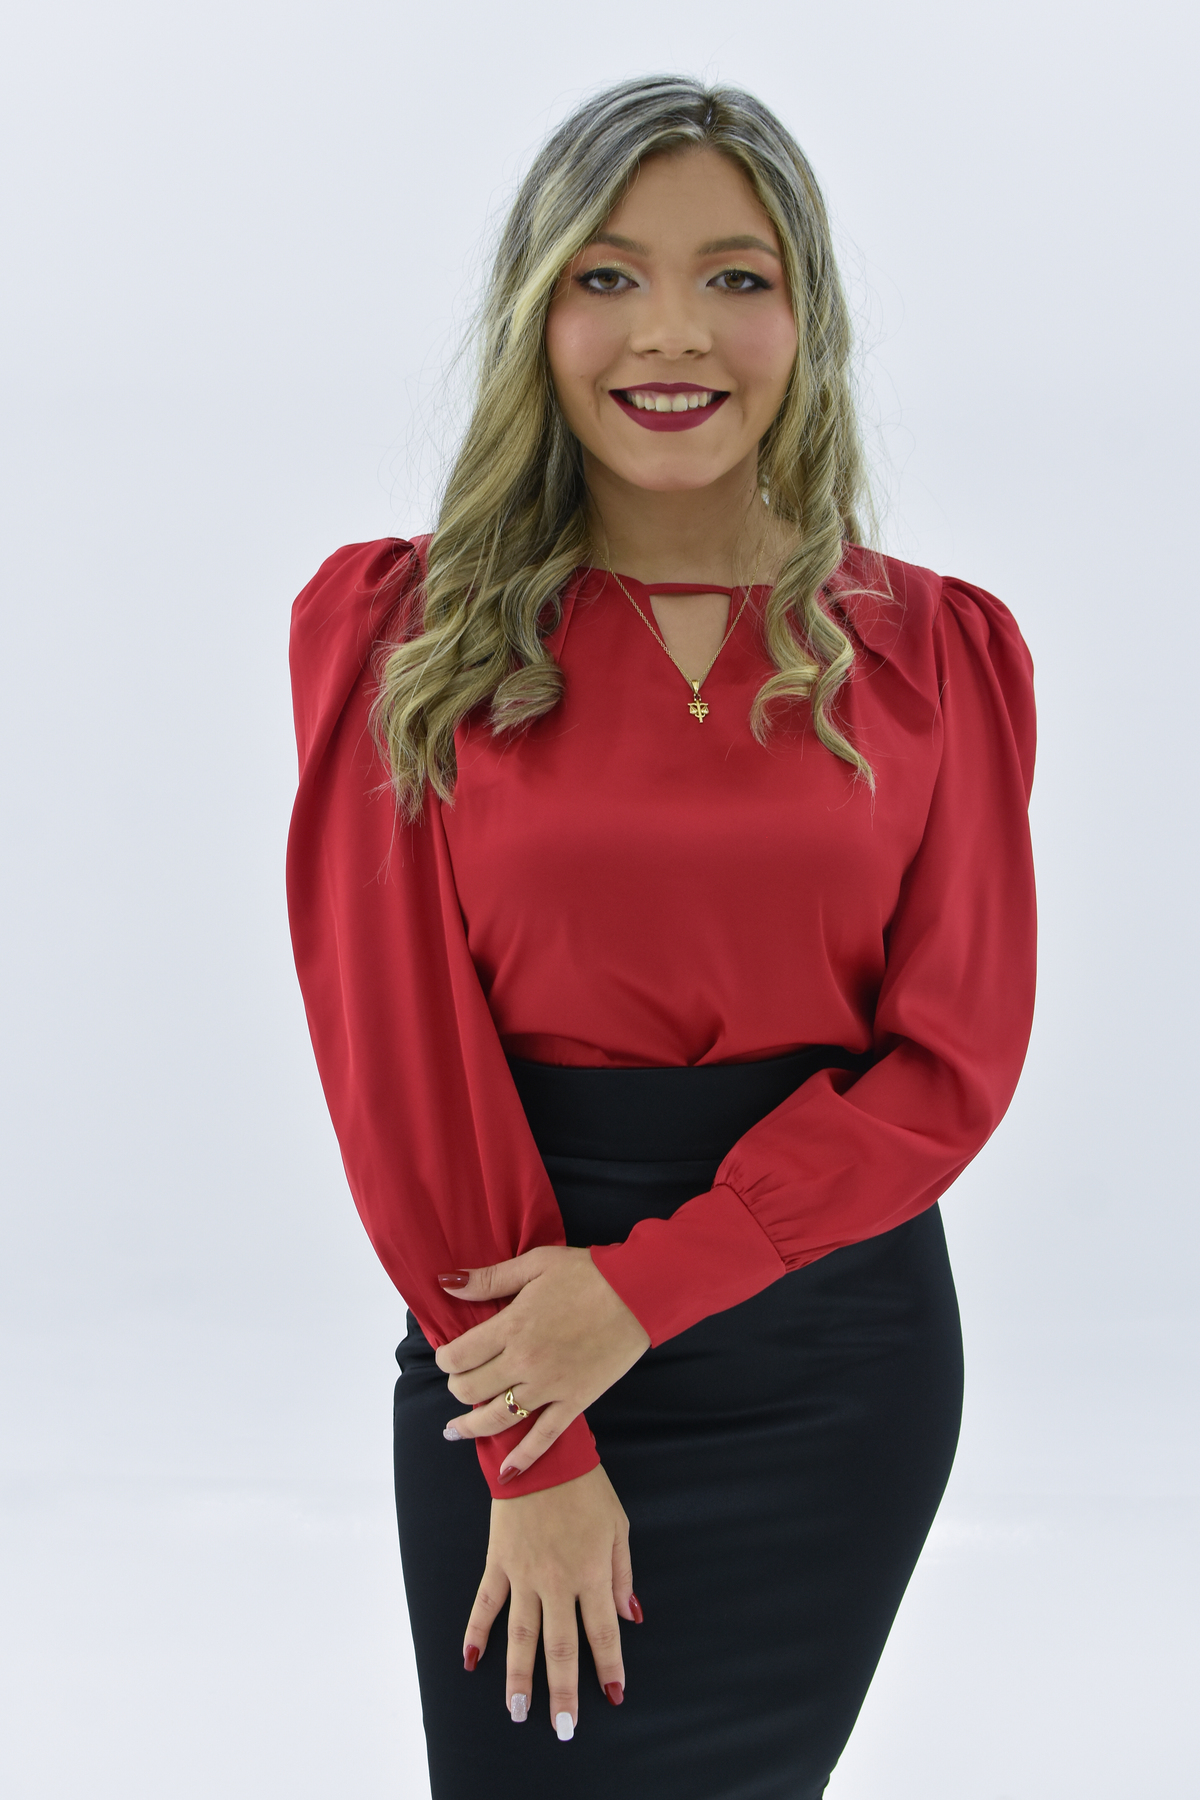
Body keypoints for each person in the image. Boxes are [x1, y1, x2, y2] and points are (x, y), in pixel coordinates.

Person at [286, 75, 1036, 1800]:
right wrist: (536, 1438)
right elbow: (398, 1056)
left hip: (831, 1356)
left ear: (806, 317)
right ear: (537, 315)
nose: (673, 330)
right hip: (508, 1329)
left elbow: (951, 1062)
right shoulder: (402, 636)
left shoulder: (939, 656)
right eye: (608, 276)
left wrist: (644, 1294)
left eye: (736, 276)